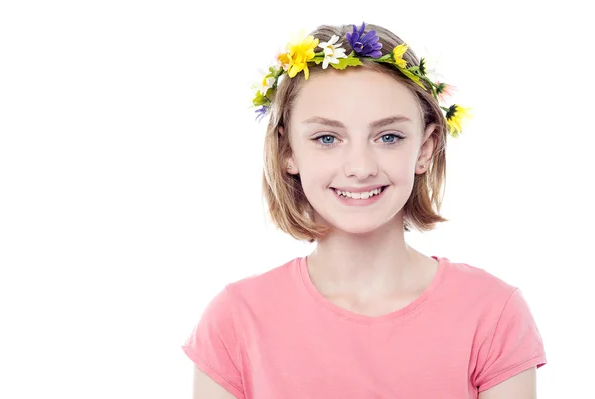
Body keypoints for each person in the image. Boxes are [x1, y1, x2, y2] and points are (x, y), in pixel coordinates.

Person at [182, 22, 547, 398]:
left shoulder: (493, 313)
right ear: (288, 150)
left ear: (424, 148)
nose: (360, 167)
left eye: (388, 137)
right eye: (327, 138)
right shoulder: (235, 321)